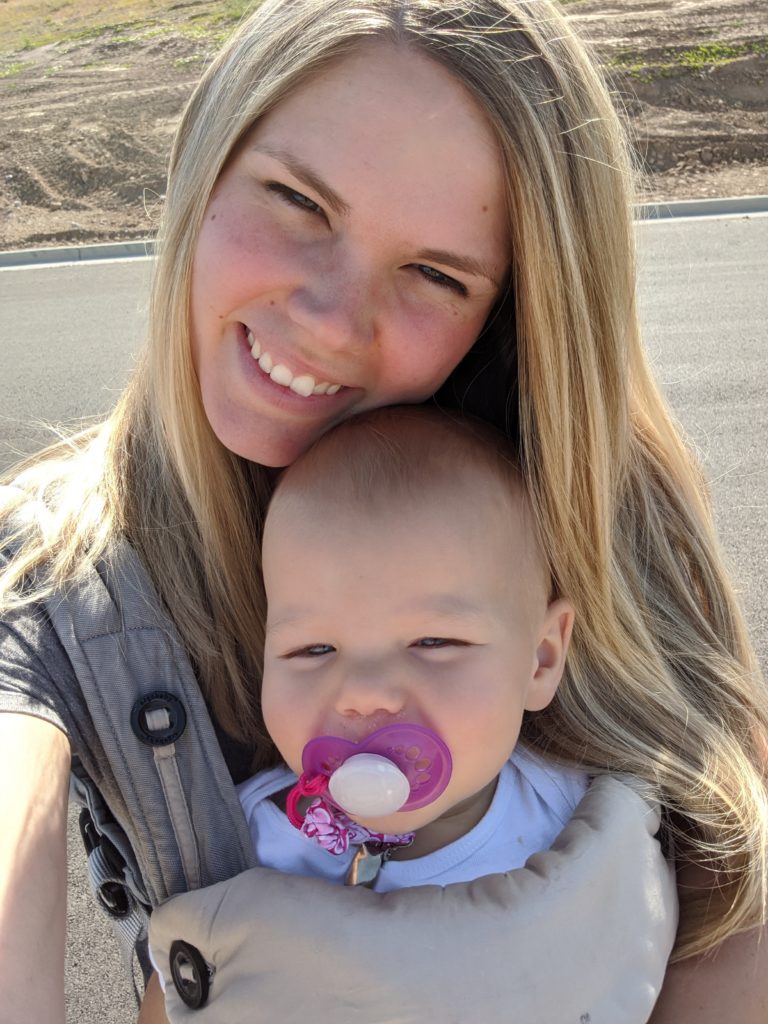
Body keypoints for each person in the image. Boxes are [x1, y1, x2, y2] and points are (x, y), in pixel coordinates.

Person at [0, 0, 766, 1022]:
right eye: (298, 201)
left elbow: (734, 885)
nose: (329, 318)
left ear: (512, 312)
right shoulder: (49, 578)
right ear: (202, 169)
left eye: (435, 273)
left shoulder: (598, 510)